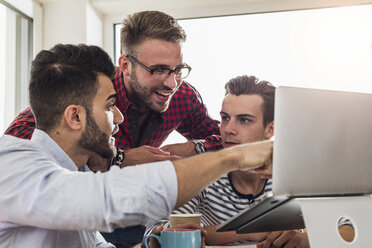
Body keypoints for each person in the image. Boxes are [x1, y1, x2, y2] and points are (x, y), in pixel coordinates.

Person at [0, 44, 273, 248]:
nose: (118, 117)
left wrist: (153, 243)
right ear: (75, 116)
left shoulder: (75, 173)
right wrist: (233, 157)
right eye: (110, 106)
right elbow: (110, 199)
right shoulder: (12, 165)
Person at [145, 75, 310, 248]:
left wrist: (305, 239)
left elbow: (337, 223)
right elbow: (164, 231)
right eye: (225, 118)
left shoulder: (291, 178)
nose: (228, 129)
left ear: (271, 129)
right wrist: (248, 230)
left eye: (244, 120)